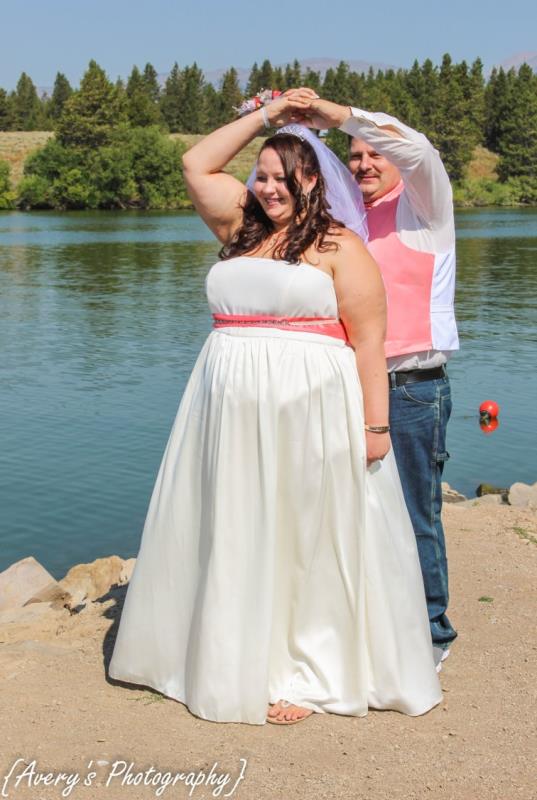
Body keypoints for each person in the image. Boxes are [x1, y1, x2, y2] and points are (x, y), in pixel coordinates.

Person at [108, 91, 442, 725]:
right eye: (260, 177)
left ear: (311, 180)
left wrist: (375, 427)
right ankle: (225, 655)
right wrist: (267, 117)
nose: (267, 188)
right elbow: (195, 163)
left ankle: (298, 673)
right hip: (226, 409)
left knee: (299, 534)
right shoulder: (240, 228)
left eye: (281, 178)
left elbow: (369, 342)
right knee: (233, 524)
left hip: (308, 410)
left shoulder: (339, 245)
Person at [293, 93, 459, 666]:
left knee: (416, 516)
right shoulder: (344, 222)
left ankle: (432, 635)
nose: (363, 163)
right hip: (342, 384)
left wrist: (333, 114)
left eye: (373, 154)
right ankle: (362, 631)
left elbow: (414, 149)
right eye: (354, 155)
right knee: (347, 514)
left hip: (411, 388)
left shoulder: (425, 208)